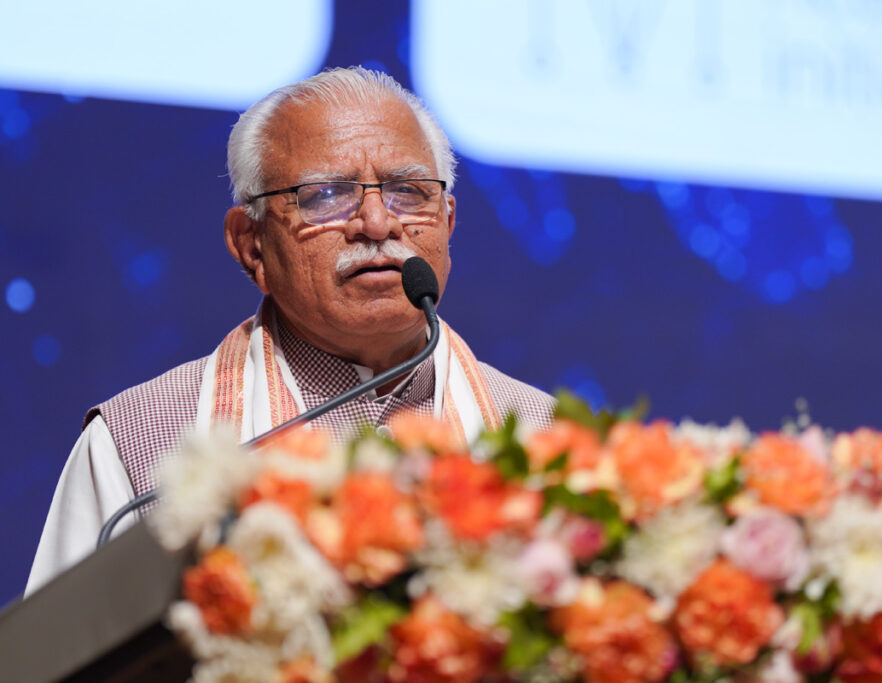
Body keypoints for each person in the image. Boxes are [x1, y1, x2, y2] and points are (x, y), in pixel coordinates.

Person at [26, 67, 554, 594]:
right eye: (326, 194)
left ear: (449, 222)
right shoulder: (141, 445)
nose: (376, 223)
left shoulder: (550, 445)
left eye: (408, 192)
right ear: (251, 245)